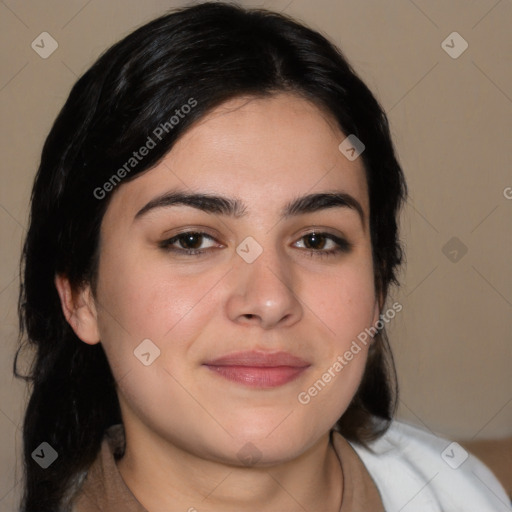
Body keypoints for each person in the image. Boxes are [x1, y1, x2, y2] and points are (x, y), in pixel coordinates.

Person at [14, 2, 510, 511]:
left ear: (379, 284)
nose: (270, 299)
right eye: (191, 240)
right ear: (80, 296)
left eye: (317, 240)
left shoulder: (462, 492)